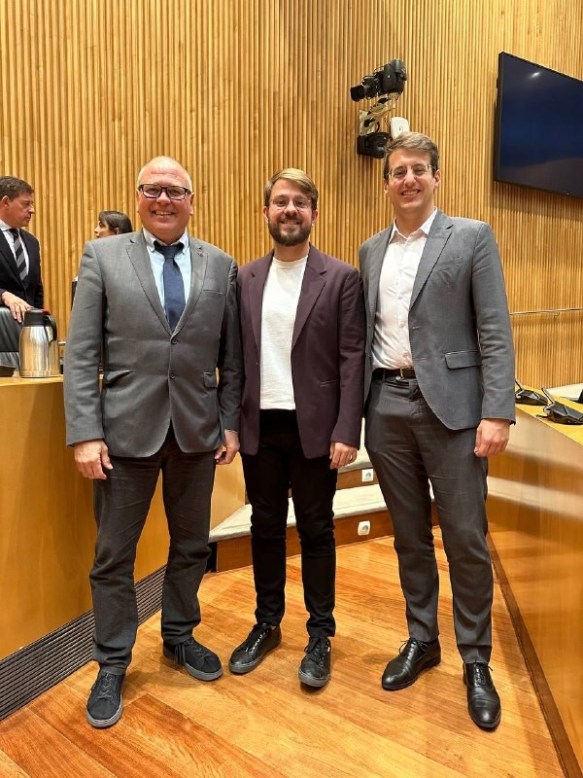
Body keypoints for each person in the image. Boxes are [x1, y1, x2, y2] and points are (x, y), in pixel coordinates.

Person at [63, 156, 241, 729]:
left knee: (191, 546)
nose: (164, 199)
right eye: (153, 189)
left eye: (175, 191)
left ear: (192, 200)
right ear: (138, 197)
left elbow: (232, 358)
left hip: (196, 433)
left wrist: (229, 423)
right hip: (123, 434)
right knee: (113, 555)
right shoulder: (103, 257)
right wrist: (85, 433)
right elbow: (82, 353)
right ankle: (113, 661)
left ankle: (179, 635)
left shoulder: (221, 264)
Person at [359, 132, 515, 730]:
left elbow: (494, 329)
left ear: (436, 177)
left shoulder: (471, 237)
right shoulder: (370, 250)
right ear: (386, 185)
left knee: (466, 539)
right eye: (398, 171)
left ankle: (476, 658)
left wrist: (497, 411)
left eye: (419, 169)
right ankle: (422, 639)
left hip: (454, 411)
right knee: (408, 537)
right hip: (387, 407)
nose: (409, 179)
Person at [230, 168, 365, 687]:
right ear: (266, 212)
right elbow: (234, 359)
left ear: (314, 213)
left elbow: (352, 358)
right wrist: (229, 423)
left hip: (316, 429)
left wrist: (347, 429)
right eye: (281, 201)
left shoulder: (341, 278)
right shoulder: (245, 278)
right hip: (259, 427)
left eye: (300, 203)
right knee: (264, 527)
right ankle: (267, 624)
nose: (290, 210)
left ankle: (320, 634)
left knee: (316, 529)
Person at [0, 176, 43, 323]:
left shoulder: (32, 242)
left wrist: (38, 325)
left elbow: (36, 291)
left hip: (27, 329)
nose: (32, 210)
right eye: (26, 204)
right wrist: (3, 295)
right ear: (6, 202)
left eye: (32, 204)